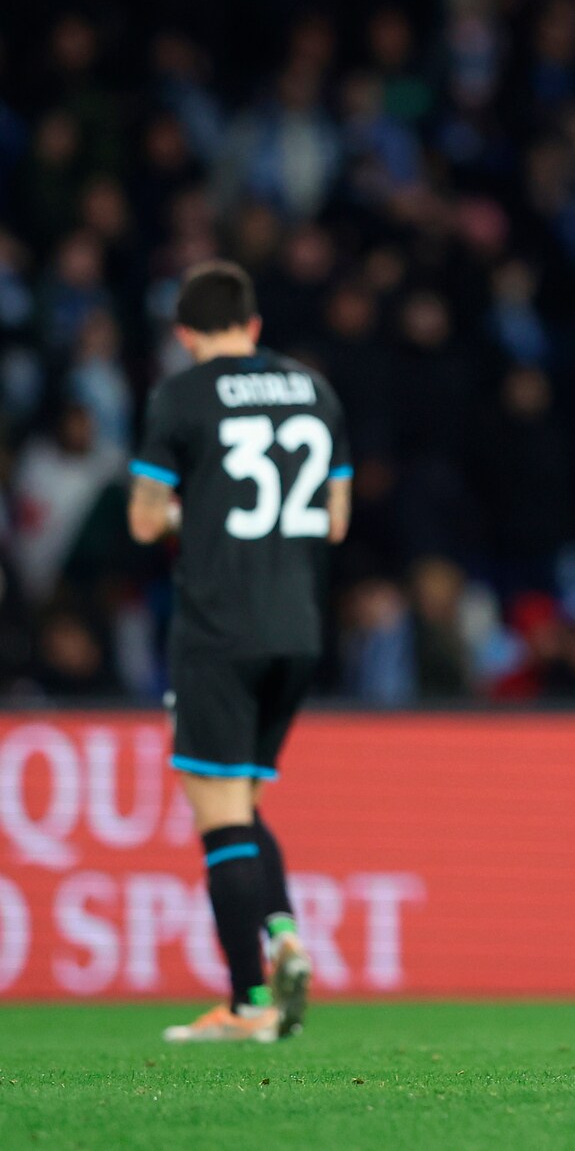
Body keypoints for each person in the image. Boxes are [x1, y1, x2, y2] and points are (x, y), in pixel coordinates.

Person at [128, 261, 351, 1043]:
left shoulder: (182, 395)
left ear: (185, 333)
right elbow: (335, 521)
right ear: (253, 326)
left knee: (217, 810)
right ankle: (284, 935)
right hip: (299, 629)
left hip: (220, 629)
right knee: (243, 802)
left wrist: (193, 512)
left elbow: (144, 519)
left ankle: (248, 999)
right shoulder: (315, 390)